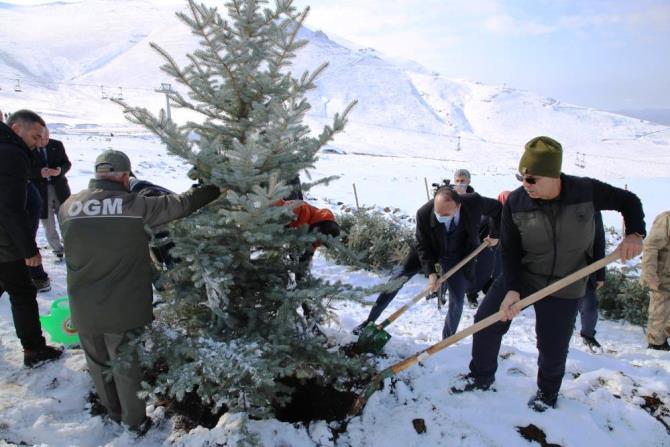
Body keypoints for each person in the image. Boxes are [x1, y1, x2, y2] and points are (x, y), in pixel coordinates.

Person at [454, 136, 645, 412]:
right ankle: (481, 377)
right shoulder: (517, 202)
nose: (525, 185)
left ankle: (547, 393)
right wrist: (512, 289)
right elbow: (509, 249)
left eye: (532, 180)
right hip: (525, 274)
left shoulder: (585, 190)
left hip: (567, 280)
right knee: (486, 321)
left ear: (554, 175)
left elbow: (629, 201)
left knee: (552, 345)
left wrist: (634, 233)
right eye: (522, 177)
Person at [59, 150, 220, 430]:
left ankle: (113, 413)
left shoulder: (68, 205)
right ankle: (135, 422)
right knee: (124, 364)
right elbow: (182, 204)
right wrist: (216, 186)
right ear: (124, 176)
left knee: (98, 363)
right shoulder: (133, 205)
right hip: (121, 305)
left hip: (82, 303)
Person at [353, 183, 501, 337]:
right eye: (438, 213)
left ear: (458, 206)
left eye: (445, 214)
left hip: (458, 253)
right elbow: (422, 246)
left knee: (457, 296)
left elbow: (498, 209)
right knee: (396, 280)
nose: (440, 217)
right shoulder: (424, 213)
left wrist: (495, 234)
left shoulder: (474, 202)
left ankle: (445, 341)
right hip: (430, 248)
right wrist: (431, 273)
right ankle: (369, 320)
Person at [0, 109, 63, 367]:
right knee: (23, 292)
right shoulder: (11, 153)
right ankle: (34, 350)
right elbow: (10, 207)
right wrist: (29, 250)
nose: (38, 143)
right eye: (35, 137)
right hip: (6, 241)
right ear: (16, 128)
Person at [30, 126, 71, 259]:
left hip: (59, 188)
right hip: (40, 191)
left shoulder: (57, 145)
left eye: (48, 138)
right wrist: (39, 173)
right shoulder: (28, 148)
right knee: (48, 222)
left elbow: (67, 163)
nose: (45, 142)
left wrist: (59, 170)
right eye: (43, 139)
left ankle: (70, 245)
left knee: (65, 217)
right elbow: (24, 169)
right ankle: (57, 249)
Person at [641, 211, 670, 351]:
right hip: (664, 276)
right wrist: (649, 273)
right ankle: (656, 346)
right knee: (660, 311)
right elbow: (651, 246)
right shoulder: (667, 219)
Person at [578, 211, 606, 350]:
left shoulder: (593, 210)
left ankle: (588, 335)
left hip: (585, 267)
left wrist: (600, 274)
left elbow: (599, 240)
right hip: (557, 269)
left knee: (589, 305)